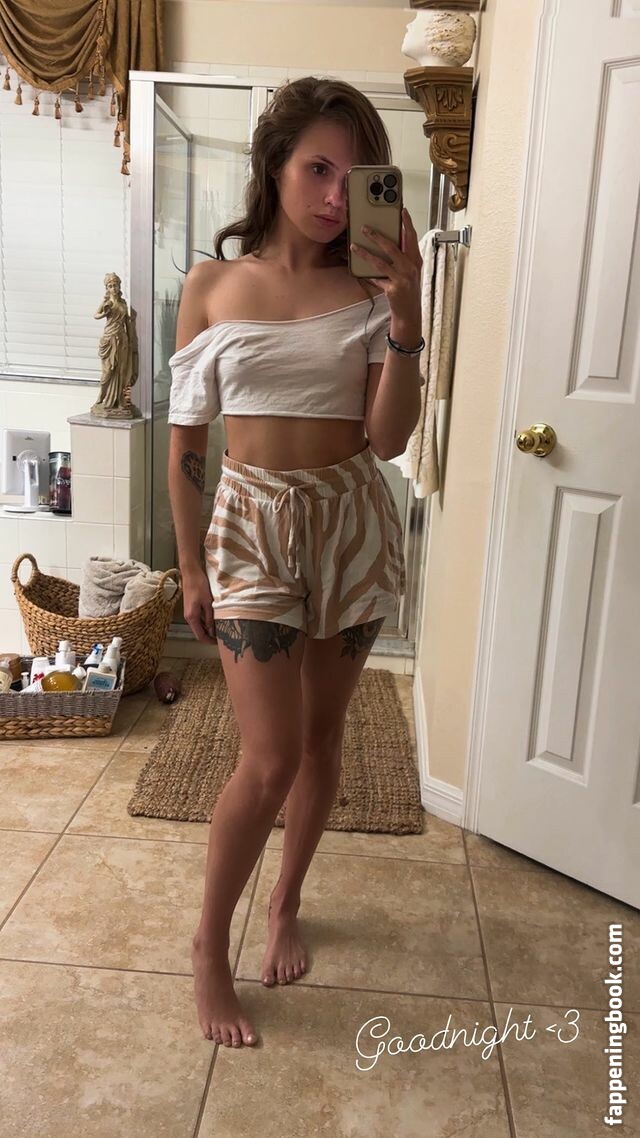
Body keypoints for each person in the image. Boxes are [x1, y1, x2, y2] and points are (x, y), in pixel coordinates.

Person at [167, 75, 424, 1050]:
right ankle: (209, 944)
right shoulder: (211, 286)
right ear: (273, 165)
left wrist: (406, 318)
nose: (332, 194)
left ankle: (285, 904)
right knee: (268, 758)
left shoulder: (368, 289)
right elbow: (187, 442)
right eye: (316, 168)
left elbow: (388, 440)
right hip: (249, 526)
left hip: (350, 521)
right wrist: (190, 568)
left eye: (353, 177)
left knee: (320, 745)